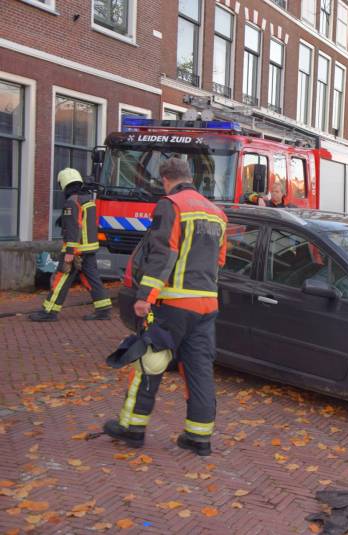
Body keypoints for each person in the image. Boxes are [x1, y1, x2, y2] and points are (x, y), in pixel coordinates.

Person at [103, 158, 227, 457]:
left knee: (149, 363)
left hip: (173, 303)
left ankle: (132, 429)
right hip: (207, 305)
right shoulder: (217, 214)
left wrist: (146, 296)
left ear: (165, 179)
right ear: (190, 177)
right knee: (199, 370)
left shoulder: (171, 205)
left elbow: (163, 253)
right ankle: (199, 437)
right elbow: (219, 262)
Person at [29, 169, 112, 322]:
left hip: (76, 250)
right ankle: (103, 309)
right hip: (89, 248)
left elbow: (74, 227)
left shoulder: (72, 201)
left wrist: (70, 251)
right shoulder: (87, 200)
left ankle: (49, 311)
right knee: (92, 278)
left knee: (61, 278)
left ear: (64, 183)